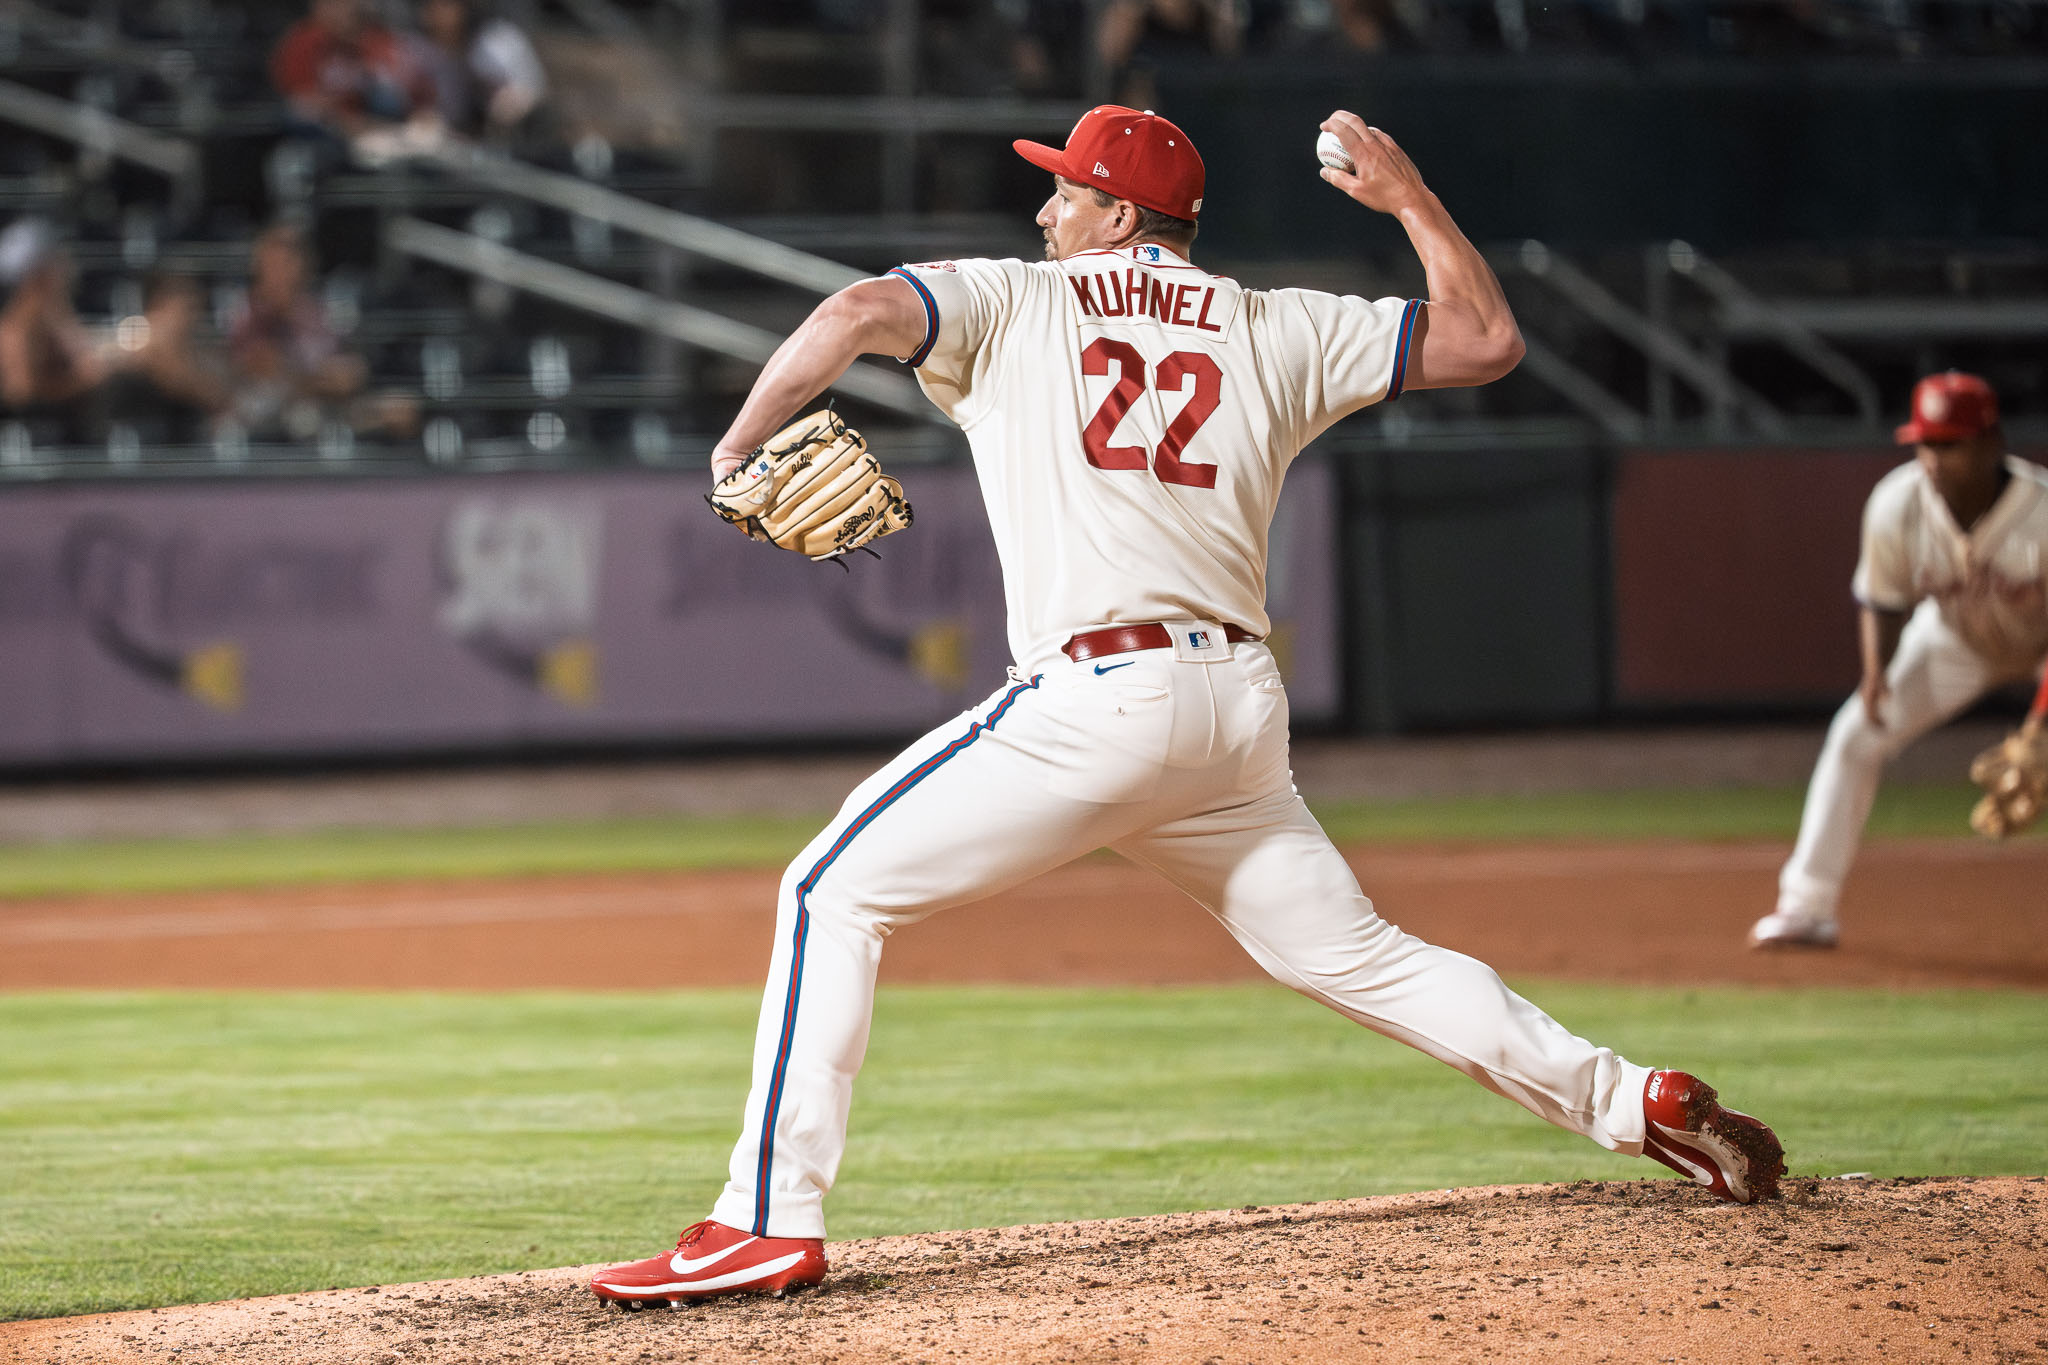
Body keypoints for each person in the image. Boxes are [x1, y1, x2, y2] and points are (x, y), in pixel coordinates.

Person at [590, 106, 1786, 1306]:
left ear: (1117, 214)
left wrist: (736, 448)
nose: (1045, 209)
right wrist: (1410, 199)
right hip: (1232, 717)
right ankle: (1629, 1100)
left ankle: (764, 1220)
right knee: (1358, 955)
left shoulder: (1016, 299)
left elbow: (853, 312)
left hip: (1095, 702)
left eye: (1066, 190)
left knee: (829, 891)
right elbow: (1483, 341)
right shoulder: (1273, 323)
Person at [1752, 371, 2048, 948]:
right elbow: (1882, 601)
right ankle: (1806, 908)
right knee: (1856, 734)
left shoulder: (2041, 513)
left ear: (1991, 443)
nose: (1933, 459)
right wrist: (1876, 674)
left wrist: (2040, 724)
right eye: (1925, 444)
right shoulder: (1898, 502)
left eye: (1950, 444)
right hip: (1956, 642)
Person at [0, 219, 106, 437]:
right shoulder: (17, 326)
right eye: (56, 261)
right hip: (35, 436)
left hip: (66, 429)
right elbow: (20, 395)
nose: (65, 267)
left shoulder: (55, 312)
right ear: (40, 274)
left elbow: (87, 361)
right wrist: (81, 382)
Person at [412, 0, 548, 139]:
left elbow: (531, 91)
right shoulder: (425, 49)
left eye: (444, 5)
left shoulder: (496, 40)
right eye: (430, 6)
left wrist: (510, 101)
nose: (436, 13)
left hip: (519, 131)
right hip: (462, 135)